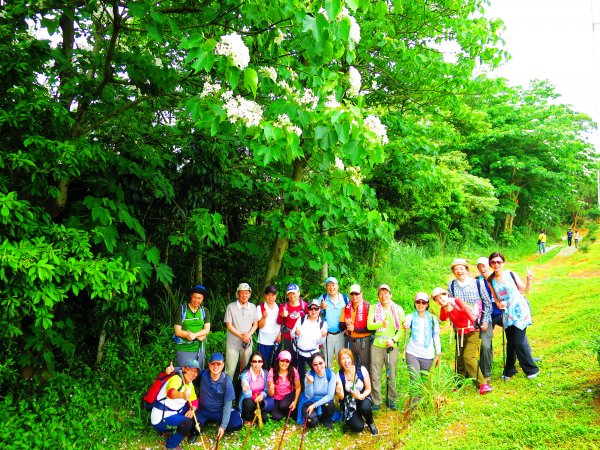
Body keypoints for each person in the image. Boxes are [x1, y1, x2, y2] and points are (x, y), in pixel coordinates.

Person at [487, 252, 540, 380]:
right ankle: (509, 370)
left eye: (499, 262)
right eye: (493, 262)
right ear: (490, 264)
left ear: (503, 263)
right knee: (511, 342)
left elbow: (525, 290)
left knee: (517, 341)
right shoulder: (490, 280)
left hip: (519, 310)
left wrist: (529, 280)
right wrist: (500, 305)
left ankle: (532, 369)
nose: (496, 264)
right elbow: (495, 299)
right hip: (506, 312)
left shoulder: (511, 274)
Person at [432, 287, 492, 395]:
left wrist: (475, 321)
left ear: (446, 295)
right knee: (459, 359)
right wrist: (446, 311)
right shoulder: (444, 308)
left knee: (468, 357)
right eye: (437, 300)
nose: (441, 301)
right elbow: (442, 318)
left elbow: (465, 309)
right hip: (460, 334)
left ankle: (483, 384)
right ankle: (459, 383)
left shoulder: (456, 301)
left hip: (471, 332)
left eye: (442, 297)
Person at [447, 258, 493, 381]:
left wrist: (485, 320)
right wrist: (453, 322)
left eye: (461, 268)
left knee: (479, 349)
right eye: (456, 269)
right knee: (460, 353)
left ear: (467, 269)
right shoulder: (451, 285)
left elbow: (487, 303)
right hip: (461, 325)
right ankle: (461, 378)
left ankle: (484, 376)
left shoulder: (478, 283)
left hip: (478, 322)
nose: (459, 271)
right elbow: (451, 305)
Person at [367, 284, 405, 411]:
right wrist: (381, 323)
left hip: (391, 345)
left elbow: (402, 330)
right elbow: (369, 325)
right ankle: (376, 401)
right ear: (378, 296)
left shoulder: (398, 309)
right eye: (381, 293)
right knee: (375, 373)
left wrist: (393, 340)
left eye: (386, 293)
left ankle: (391, 399)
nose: (384, 296)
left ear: (391, 294)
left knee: (391, 373)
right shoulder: (373, 308)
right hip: (377, 344)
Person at [151, 359, 199, 450]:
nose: (193, 373)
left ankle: (171, 430)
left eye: (195, 371)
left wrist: (192, 409)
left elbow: (194, 401)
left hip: (172, 413)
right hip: (160, 419)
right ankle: (171, 445)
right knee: (187, 423)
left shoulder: (189, 384)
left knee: (191, 411)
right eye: (190, 370)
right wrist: (182, 395)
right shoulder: (176, 379)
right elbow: (170, 393)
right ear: (184, 369)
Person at [403, 292, 441, 406]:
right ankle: (414, 408)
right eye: (418, 302)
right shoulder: (410, 317)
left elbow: (436, 336)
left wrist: (438, 353)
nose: (420, 304)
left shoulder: (433, 319)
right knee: (415, 379)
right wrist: (405, 325)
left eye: (423, 302)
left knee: (424, 382)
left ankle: (423, 405)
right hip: (412, 353)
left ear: (427, 304)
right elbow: (407, 323)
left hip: (428, 355)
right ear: (415, 303)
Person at [195, 353, 243, 440]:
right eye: (213, 363)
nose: (215, 366)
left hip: (219, 412)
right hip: (203, 410)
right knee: (190, 423)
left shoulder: (227, 382)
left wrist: (223, 426)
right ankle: (204, 422)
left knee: (236, 423)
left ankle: (234, 414)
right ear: (209, 365)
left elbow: (227, 405)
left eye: (218, 364)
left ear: (223, 365)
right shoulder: (203, 375)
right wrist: (174, 370)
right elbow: (188, 372)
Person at [335, 348, 378, 435]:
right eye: (343, 359)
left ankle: (370, 422)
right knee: (358, 427)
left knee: (365, 407)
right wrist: (338, 391)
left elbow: (368, 389)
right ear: (340, 362)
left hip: (363, 397)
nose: (346, 361)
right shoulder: (339, 375)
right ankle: (352, 418)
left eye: (348, 358)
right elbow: (341, 397)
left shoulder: (361, 369)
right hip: (350, 402)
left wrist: (360, 396)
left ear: (351, 358)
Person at [224, 283, 258, 380]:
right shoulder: (231, 307)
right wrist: (241, 335)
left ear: (249, 294)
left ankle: (244, 392)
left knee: (246, 370)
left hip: (247, 344)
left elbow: (255, 324)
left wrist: (248, 335)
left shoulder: (253, 307)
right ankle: (227, 392)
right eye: (242, 293)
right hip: (232, 344)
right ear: (237, 294)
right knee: (230, 370)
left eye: (246, 293)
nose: (244, 295)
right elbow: (228, 325)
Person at [291, 298, 327, 385]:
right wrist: (296, 333)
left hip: (312, 353)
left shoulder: (323, 324)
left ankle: (318, 388)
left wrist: (323, 336)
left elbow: (320, 342)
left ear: (320, 309)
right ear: (308, 310)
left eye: (316, 308)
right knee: (300, 373)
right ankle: (301, 391)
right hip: (298, 352)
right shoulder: (301, 319)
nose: (313, 311)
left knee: (317, 371)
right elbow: (292, 334)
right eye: (311, 308)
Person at [173, 285, 211, 369]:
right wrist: (193, 336)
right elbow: (177, 331)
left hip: (200, 349)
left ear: (203, 299)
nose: (196, 300)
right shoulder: (182, 310)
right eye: (194, 297)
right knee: (184, 373)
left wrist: (194, 335)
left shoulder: (204, 311)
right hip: (184, 348)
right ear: (191, 296)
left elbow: (207, 329)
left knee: (198, 374)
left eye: (199, 298)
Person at [297, 353, 337, 429]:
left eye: (320, 363)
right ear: (312, 366)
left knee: (329, 405)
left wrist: (315, 405)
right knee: (312, 422)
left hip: (324, 401)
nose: (318, 367)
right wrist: (309, 383)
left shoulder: (331, 375)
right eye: (315, 365)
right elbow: (309, 395)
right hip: (309, 401)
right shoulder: (309, 375)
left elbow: (330, 396)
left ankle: (326, 420)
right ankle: (318, 416)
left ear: (324, 362)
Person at [339, 284, 372, 371]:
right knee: (350, 365)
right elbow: (340, 326)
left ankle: (366, 384)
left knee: (365, 365)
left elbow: (372, 329)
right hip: (350, 340)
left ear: (361, 294)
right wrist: (347, 324)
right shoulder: (346, 308)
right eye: (352, 294)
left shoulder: (368, 307)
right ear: (349, 294)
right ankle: (352, 384)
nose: (354, 296)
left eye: (356, 294)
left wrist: (355, 329)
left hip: (363, 342)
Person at [319, 277, 348, 367]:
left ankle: (342, 379)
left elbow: (350, 313)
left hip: (341, 334)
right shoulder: (322, 298)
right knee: (327, 362)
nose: (331, 288)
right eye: (329, 285)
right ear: (326, 287)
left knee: (343, 361)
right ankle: (328, 379)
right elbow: (313, 313)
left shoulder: (344, 298)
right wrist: (321, 307)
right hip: (327, 335)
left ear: (338, 286)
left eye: (333, 285)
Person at [238, 351, 274, 423]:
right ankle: (247, 420)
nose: (257, 364)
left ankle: (256, 417)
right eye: (254, 361)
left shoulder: (265, 373)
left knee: (265, 418)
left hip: (260, 401)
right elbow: (247, 395)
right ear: (251, 363)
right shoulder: (245, 375)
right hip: (249, 401)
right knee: (248, 402)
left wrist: (262, 395)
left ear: (262, 363)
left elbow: (266, 390)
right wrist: (245, 389)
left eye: (259, 361)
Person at [277, 284, 308, 367]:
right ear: (287, 295)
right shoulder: (284, 307)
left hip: (301, 337)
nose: (292, 296)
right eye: (289, 294)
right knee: (289, 359)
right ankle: (290, 377)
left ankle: (300, 378)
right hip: (288, 337)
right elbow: (278, 321)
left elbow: (311, 319)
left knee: (301, 360)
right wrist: (282, 315)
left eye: (294, 293)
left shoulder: (305, 306)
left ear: (299, 293)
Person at [267, 350, 301, 421]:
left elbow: (298, 388)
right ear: (278, 360)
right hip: (276, 398)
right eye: (282, 360)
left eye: (287, 361)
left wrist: (295, 402)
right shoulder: (272, 372)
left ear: (289, 362)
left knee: (284, 405)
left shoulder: (293, 371)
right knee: (276, 417)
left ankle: (292, 410)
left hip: (288, 395)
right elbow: (271, 394)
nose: (284, 363)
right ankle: (285, 412)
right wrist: (271, 388)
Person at [257, 285, 281, 369]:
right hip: (263, 341)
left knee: (275, 364)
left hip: (276, 341)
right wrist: (263, 317)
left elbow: (283, 323)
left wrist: (280, 334)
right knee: (263, 364)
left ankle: (273, 381)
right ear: (265, 296)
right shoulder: (260, 307)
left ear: (276, 296)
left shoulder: (280, 307)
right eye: (268, 295)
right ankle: (263, 381)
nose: (271, 297)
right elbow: (259, 326)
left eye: (273, 295)